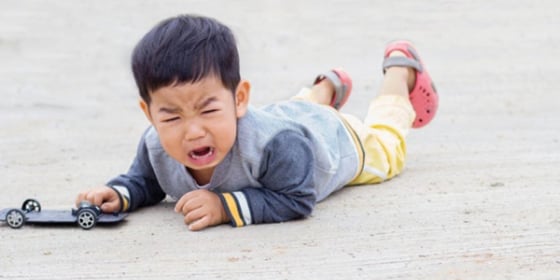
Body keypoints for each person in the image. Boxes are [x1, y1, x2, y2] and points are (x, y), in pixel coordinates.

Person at [76, 14, 439, 231]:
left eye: (208, 110)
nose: (193, 131)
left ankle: (399, 73)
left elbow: (296, 199)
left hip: (336, 139)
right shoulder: (156, 145)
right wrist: (120, 195)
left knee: (388, 147)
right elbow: (145, 181)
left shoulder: (277, 146)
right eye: (171, 116)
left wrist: (224, 208)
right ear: (150, 114)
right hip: (286, 118)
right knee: (287, 112)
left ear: (239, 99)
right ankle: (325, 86)